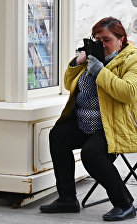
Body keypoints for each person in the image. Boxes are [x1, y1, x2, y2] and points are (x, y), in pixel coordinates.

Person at [40, 17, 137, 222]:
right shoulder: (94, 55)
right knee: (58, 136)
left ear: (121, 39)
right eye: (97, 39)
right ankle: (67, 198)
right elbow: (68, 84)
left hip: (115, 126)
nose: (102, 44)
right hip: (85, 122)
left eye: (106, 40)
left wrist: (100, 71)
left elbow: (128, 92)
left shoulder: (132, 59)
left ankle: (124, 204)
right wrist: (77, 63)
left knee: (91, 154)